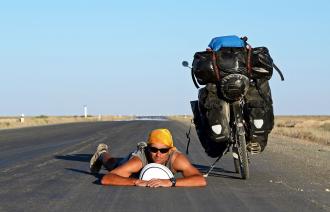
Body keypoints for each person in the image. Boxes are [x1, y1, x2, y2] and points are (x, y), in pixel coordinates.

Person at [89, 128, 207, 187]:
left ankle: (144, 145)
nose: (158, 154)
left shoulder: (177, 159)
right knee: (113, 165)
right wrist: (136, 181)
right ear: (149, 149)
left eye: (163, 150)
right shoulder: (138, 161)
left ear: (170, 150)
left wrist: (171, 182)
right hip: (137, 163)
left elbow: (200, 180)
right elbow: (106, 179)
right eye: (154, 149)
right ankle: (101, 153)